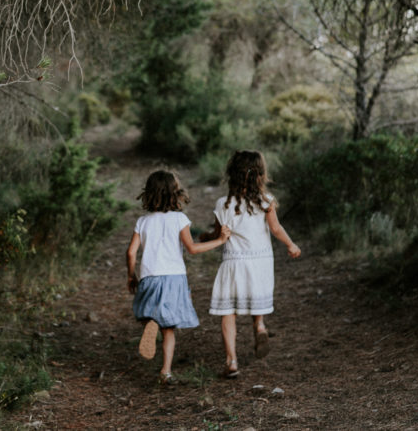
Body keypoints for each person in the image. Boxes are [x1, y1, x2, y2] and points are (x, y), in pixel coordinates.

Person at [126, 170, 231, 385]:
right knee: (169, 329)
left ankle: (151, 322)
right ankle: (166, 371)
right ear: (176, 193)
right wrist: (220, 241)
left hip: (149, 277)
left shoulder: (143, 221)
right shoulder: (179, 219)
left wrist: (131, 275)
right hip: (174, 278)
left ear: (149, 193)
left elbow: (130, 252)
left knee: (151, 313)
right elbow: (191, 248)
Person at [204, 150, 301, 378]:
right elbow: (276, 229)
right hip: (260, 261)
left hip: (234, 262)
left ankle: (232, 360)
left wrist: (205, 238)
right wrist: (291, 244)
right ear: (260, 175)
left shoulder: (223, 204)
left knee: (229, 311)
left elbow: (218, 236)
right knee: (256, 297)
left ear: (232, 174)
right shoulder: (266, 201)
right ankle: (259, 326)